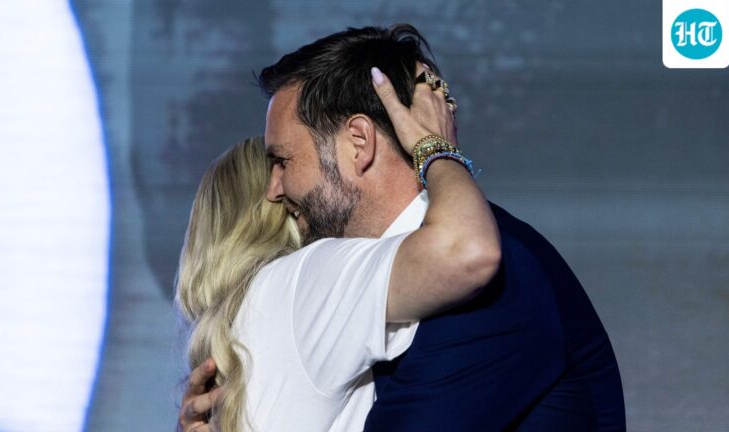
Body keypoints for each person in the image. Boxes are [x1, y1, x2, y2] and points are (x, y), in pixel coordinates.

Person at [181, 24, 626, 431]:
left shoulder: (495, 283)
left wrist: (435, 149)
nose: (274, 189)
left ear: (359, 143)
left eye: (283, 160)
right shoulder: (391, 282)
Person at [176, 62, 500, 431]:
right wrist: (435, 146)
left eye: (284, 163)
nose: (278, 187)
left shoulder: (243, 323)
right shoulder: (303, 280)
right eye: (277, 164)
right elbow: (465, 250)